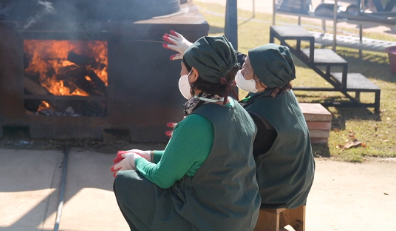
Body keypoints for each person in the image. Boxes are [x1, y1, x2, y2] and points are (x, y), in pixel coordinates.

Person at [112, 35, 260, 231]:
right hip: (241, 217)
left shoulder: (196, 123)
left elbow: (163, 178)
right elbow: (198, 157)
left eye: (182, 70)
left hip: (207, 221)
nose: (180, 75)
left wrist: (135, 161)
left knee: (126, 182)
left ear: (194, 74)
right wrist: (149, 155)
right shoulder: (238, 110)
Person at [235, 44, 315, 209]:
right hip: (296, 186)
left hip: (273, 192)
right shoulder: (281, 89)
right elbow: (243, 59)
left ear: (263, 80)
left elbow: (231, 153)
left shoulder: (260, 119)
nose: (241, 70)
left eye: (246, 69)